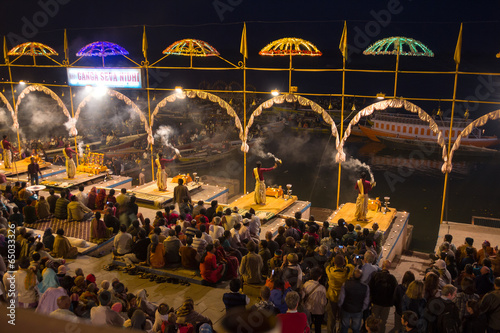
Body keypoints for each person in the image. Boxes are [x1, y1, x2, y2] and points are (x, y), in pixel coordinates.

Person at [369, 260, 398, 333]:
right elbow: (395, 292)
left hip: (376, 303)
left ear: (382, 266)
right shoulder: (392, 279)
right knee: (383, 322)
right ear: (389, 267)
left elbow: (370, 288)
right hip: (386, 305)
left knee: (373, 321)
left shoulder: (376, 276)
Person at [339, 269, 371, 333]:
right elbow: (366, 301)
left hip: (346, 309)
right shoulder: (365, 287)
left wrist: (340, 306)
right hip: (358, 310)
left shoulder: (346, 284)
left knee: (345, 327)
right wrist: (362, 308)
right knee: (356, 328)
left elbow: (341, 298)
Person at [303, 267, 327, 333]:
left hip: (308, 308)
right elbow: (324, 302)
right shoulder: (322, 288)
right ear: (319, 277)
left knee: (308, 326)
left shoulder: (306, 284)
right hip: (319, 311)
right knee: (318, 327)